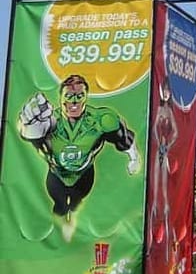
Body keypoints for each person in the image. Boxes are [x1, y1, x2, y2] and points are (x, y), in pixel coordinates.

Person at [18, 74, 141, 241]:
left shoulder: (101, 120)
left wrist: (133, 157)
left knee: (76, 204)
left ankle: (73, 230)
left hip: (84, 174)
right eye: (69, 96)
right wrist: (28, 129)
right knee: (60, 206)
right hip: (56, 175)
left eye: (79, 96)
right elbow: (28, 135)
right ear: (60, 98)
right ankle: (60, 241)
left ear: (85, 97)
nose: (74, 102)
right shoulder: (47, 123)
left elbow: (123, 137)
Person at [149, 81, 178, 265]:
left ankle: (168, 249)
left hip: (164, 152)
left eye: (168, 89)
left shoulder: (169, 112)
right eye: (164, 89)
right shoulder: (158, 110)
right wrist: (158, 143)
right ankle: (150, 244)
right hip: (157, 152)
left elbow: (175, 132)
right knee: (154, 191)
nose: (165, 92)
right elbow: (152, 130)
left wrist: (167, 146)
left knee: (165, 195)